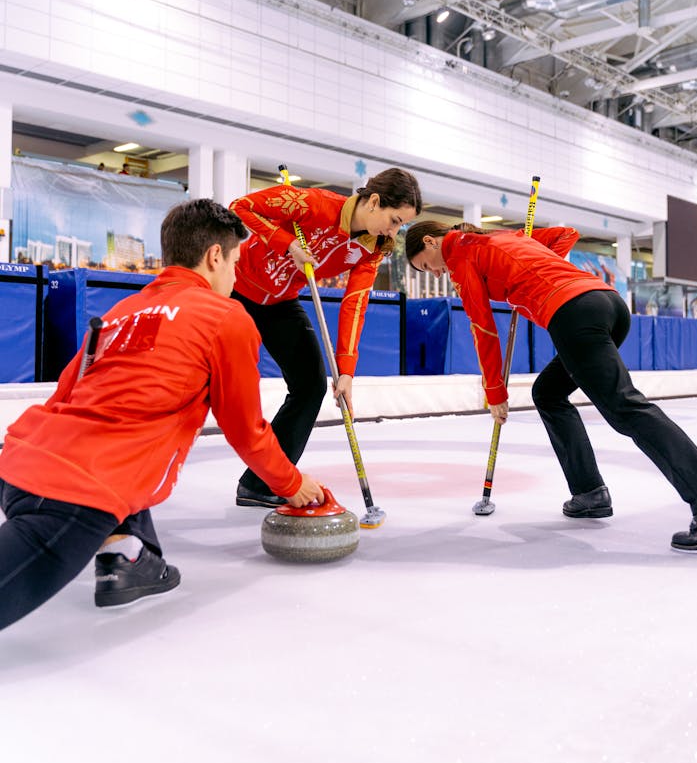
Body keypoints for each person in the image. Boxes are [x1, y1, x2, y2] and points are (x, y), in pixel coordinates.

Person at [0, 199, 324, 630]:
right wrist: (292, 482)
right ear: (214, 256)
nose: (235, 275)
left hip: (19, 464)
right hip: (78, 494)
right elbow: (246, 430)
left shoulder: (121, 312)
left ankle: (131, 552)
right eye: (234, 263)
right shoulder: (226, 317)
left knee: (137, 423)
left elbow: (68, 391)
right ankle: (123, 545)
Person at [405, 219, 697, 552]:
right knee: (548, 393)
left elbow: (482, 329)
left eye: (427, 265)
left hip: (572, 312)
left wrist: (495, 392)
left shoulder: (459, 256)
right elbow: (565, 235)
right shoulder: (498, 238)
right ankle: (589, 493)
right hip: (608, 304)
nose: (436, 273)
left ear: (431, 242)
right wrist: (524, 259)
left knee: (625, 408)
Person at [227, 168, 422, 507]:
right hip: (234, 291)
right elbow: (240, 207)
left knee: (311, 386)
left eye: (401, 225)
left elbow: (355, 304)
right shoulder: (312, 203)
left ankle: (261, 482)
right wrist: (286, 243)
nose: (394, 231)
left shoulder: (371, 247)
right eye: (394, 220)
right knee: (205, 381)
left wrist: (346, 371)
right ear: (374, 201)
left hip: (281, 303)